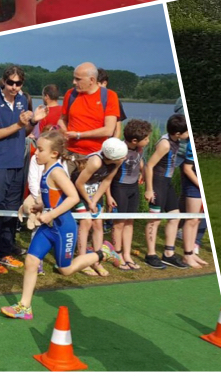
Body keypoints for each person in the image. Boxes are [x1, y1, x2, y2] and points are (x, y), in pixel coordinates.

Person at [0, 132, 122, 320]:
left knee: (65, 270)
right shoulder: (46, 170)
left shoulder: (57, 172)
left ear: (54, 153)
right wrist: (40, 206)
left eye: (40, 150)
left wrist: (51, 213)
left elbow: (73, 198)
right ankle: (24, 307)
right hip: (49, 227)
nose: (36, 154)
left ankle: (102, 252)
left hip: (64, 227)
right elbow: (56, 199)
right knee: (31, 261)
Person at [0, 65, 37, 274]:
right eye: (10, 83)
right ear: (3, 82)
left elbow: (25, 130)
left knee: (12, 211)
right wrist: (21, 125)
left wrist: (34, 122)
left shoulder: (22, 100)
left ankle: (5, 252)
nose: (14, 87)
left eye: (18, 83)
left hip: (17, 163)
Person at [69, 137, 126, 276]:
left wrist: (95, 200)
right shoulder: (95, 162)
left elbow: (107, 180)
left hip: (94, 189)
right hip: (79, 189)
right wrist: (89, 202)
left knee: (98, 224)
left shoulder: (118, 160)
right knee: (86, 222)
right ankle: (82, 260)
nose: (124, 157)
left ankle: (96, 260)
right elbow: (79, 183)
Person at [144, 114, 190, 269]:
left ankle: (168, 254)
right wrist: (149, 189)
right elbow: (149, 165)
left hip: (167, 182)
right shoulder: (165, 144)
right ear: (177, 134)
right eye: (187, 132)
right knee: (155, 219)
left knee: (174, 216)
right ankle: (150, 254)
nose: (189, 134)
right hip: (158, 183)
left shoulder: (176, 140)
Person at [111, 120, 152, 270]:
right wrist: (109, 196)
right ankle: (117, 254)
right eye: (146, 139)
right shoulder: (120, 150)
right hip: (119, 188)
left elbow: (140, 163)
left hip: (133, 188)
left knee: (130, 222)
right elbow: (109, 175)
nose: (148, 141)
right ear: (134, 140)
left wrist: (142, 173)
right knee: (119, 223)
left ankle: (127, 254)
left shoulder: (139, 150)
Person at [180, 140, 208, 268]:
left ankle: (192, 253)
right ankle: (187, 255)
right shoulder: (191, 145)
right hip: (193, 186)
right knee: (191, 220)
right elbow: (187, 169)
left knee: (196, 220)